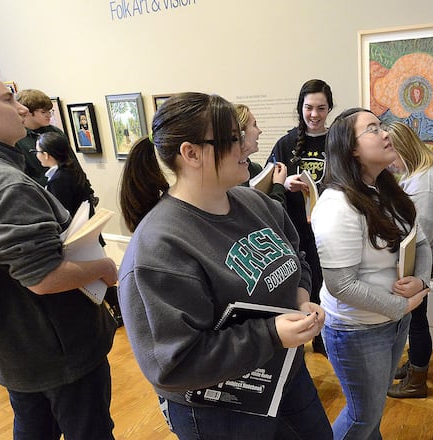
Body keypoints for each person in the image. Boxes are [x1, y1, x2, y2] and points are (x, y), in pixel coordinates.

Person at [118, 92, 332, 440]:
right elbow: (173, 363)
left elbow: (298, 257)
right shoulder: (159, 247)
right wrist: (271, 333)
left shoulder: (256, 204)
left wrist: (300, 296)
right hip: (221, 409)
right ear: (191, 153)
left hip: (286, 375)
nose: (247, 145)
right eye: (233, 139)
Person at [0, 55, 118, 440]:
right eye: (4, 99)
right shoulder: (4, 183)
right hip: (53, 351)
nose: (19, 108)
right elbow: (42, 278)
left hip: (15, 346)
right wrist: (102, 267)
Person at [311, 108, 432, 439]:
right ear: (351, 148)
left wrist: (421, 281)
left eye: (381, 126)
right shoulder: (337, 205)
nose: (386, 134)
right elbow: (341, 285)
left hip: (393, 322)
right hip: (357, 329)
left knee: (373, 412)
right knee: (361, 417)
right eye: (373, 129)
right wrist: (402, 306)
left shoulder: (389, 191)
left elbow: (421, 244)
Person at [266, 79, 334, 356]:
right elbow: (269, 182)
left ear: (329, 108)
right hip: (294, 229)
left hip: (329, 228)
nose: (314, 114)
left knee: (326, 283)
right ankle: (296, 334)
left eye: (321, 108)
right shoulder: (286, 143)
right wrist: (285, 182)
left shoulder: (337, 139)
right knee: (300, 284)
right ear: (300, 108)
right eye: (309, 107)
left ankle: (322, 338)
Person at [385, 121, 433, 399]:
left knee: (416, 317)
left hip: (422, 256)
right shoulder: (425, 173)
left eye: (393, 157)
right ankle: (415, 365)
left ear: (403, 149)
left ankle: (417, 379)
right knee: (415, 316)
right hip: (429, 253)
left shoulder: (423, 182)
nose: (391, 165)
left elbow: (420, 233)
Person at [36, 131, 122, 326]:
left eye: (38, 151)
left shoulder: (60, 179)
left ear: (47, 154)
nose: (37, 155)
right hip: (86, 233)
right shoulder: (70, 172)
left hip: (77, 237)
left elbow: (63, 212)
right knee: (98, 277)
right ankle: (119, 310)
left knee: (96, 278)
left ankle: (118, 311)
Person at [234, 103, 287, 205]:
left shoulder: (256, 169)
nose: (259, 131)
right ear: (241, 133)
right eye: (254, 125)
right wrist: (278, 186)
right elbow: (272, 216)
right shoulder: (226, 175)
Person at [15, 89, 66, 186]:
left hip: (68, 189)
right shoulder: (17, 139)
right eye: (43, 112)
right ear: (27, 112)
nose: (49, 115)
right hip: (41, 193)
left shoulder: (56, 132)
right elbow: (22, 176)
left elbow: (72, 162)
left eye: (49, 111)